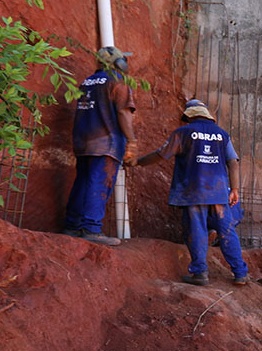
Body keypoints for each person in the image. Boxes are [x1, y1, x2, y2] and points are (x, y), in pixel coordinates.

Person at [136, 99, 249, 287]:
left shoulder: (183, 132)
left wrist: (138, 162)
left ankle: (200, 273)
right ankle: (240, 273)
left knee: (197, 230)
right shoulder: (222, 134)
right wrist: (235, 189)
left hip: (194, 190)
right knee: (227, 231)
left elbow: (160, 154)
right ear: (206, 115)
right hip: (219, 192)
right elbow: (233, 163)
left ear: (189, 115)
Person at [63, 46, 136, 246]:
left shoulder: (86, 82)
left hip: (83, 141)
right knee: (99, 183)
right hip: (106, 143)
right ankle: (92, 228)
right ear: (119, 63)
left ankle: (71, 225)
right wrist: (132, 141)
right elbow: (123, 113)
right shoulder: (117, 82)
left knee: (83, 182)